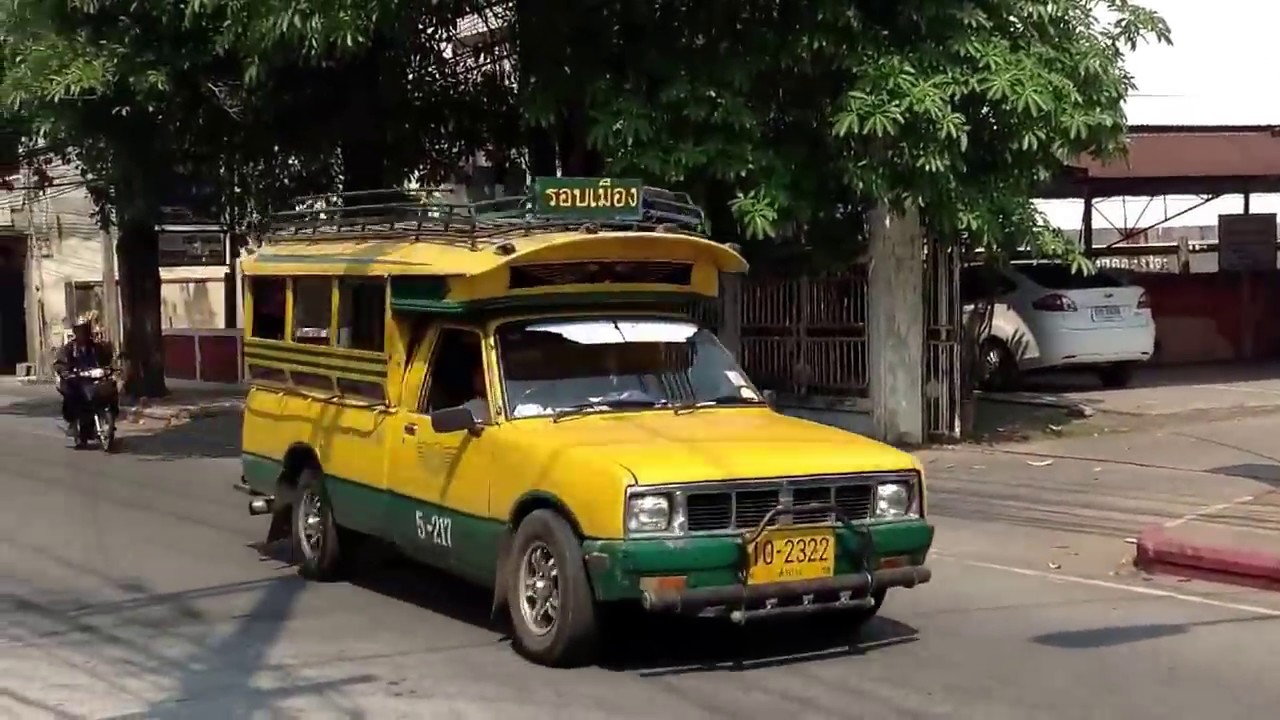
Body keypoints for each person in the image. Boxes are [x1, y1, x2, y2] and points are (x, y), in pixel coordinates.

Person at [53, 313, 116, 435]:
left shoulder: (97, 347)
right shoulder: (70, 348)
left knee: (110, 388)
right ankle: (73, 422)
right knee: (71, 394)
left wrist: (110, 367)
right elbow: (60, 362)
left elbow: (107, 359)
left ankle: (110, 415)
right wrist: (66, 371)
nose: (83, 334)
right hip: (77, 380)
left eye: (85, 330)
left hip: (94, 379)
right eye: (80, 331)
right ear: (76, 332)